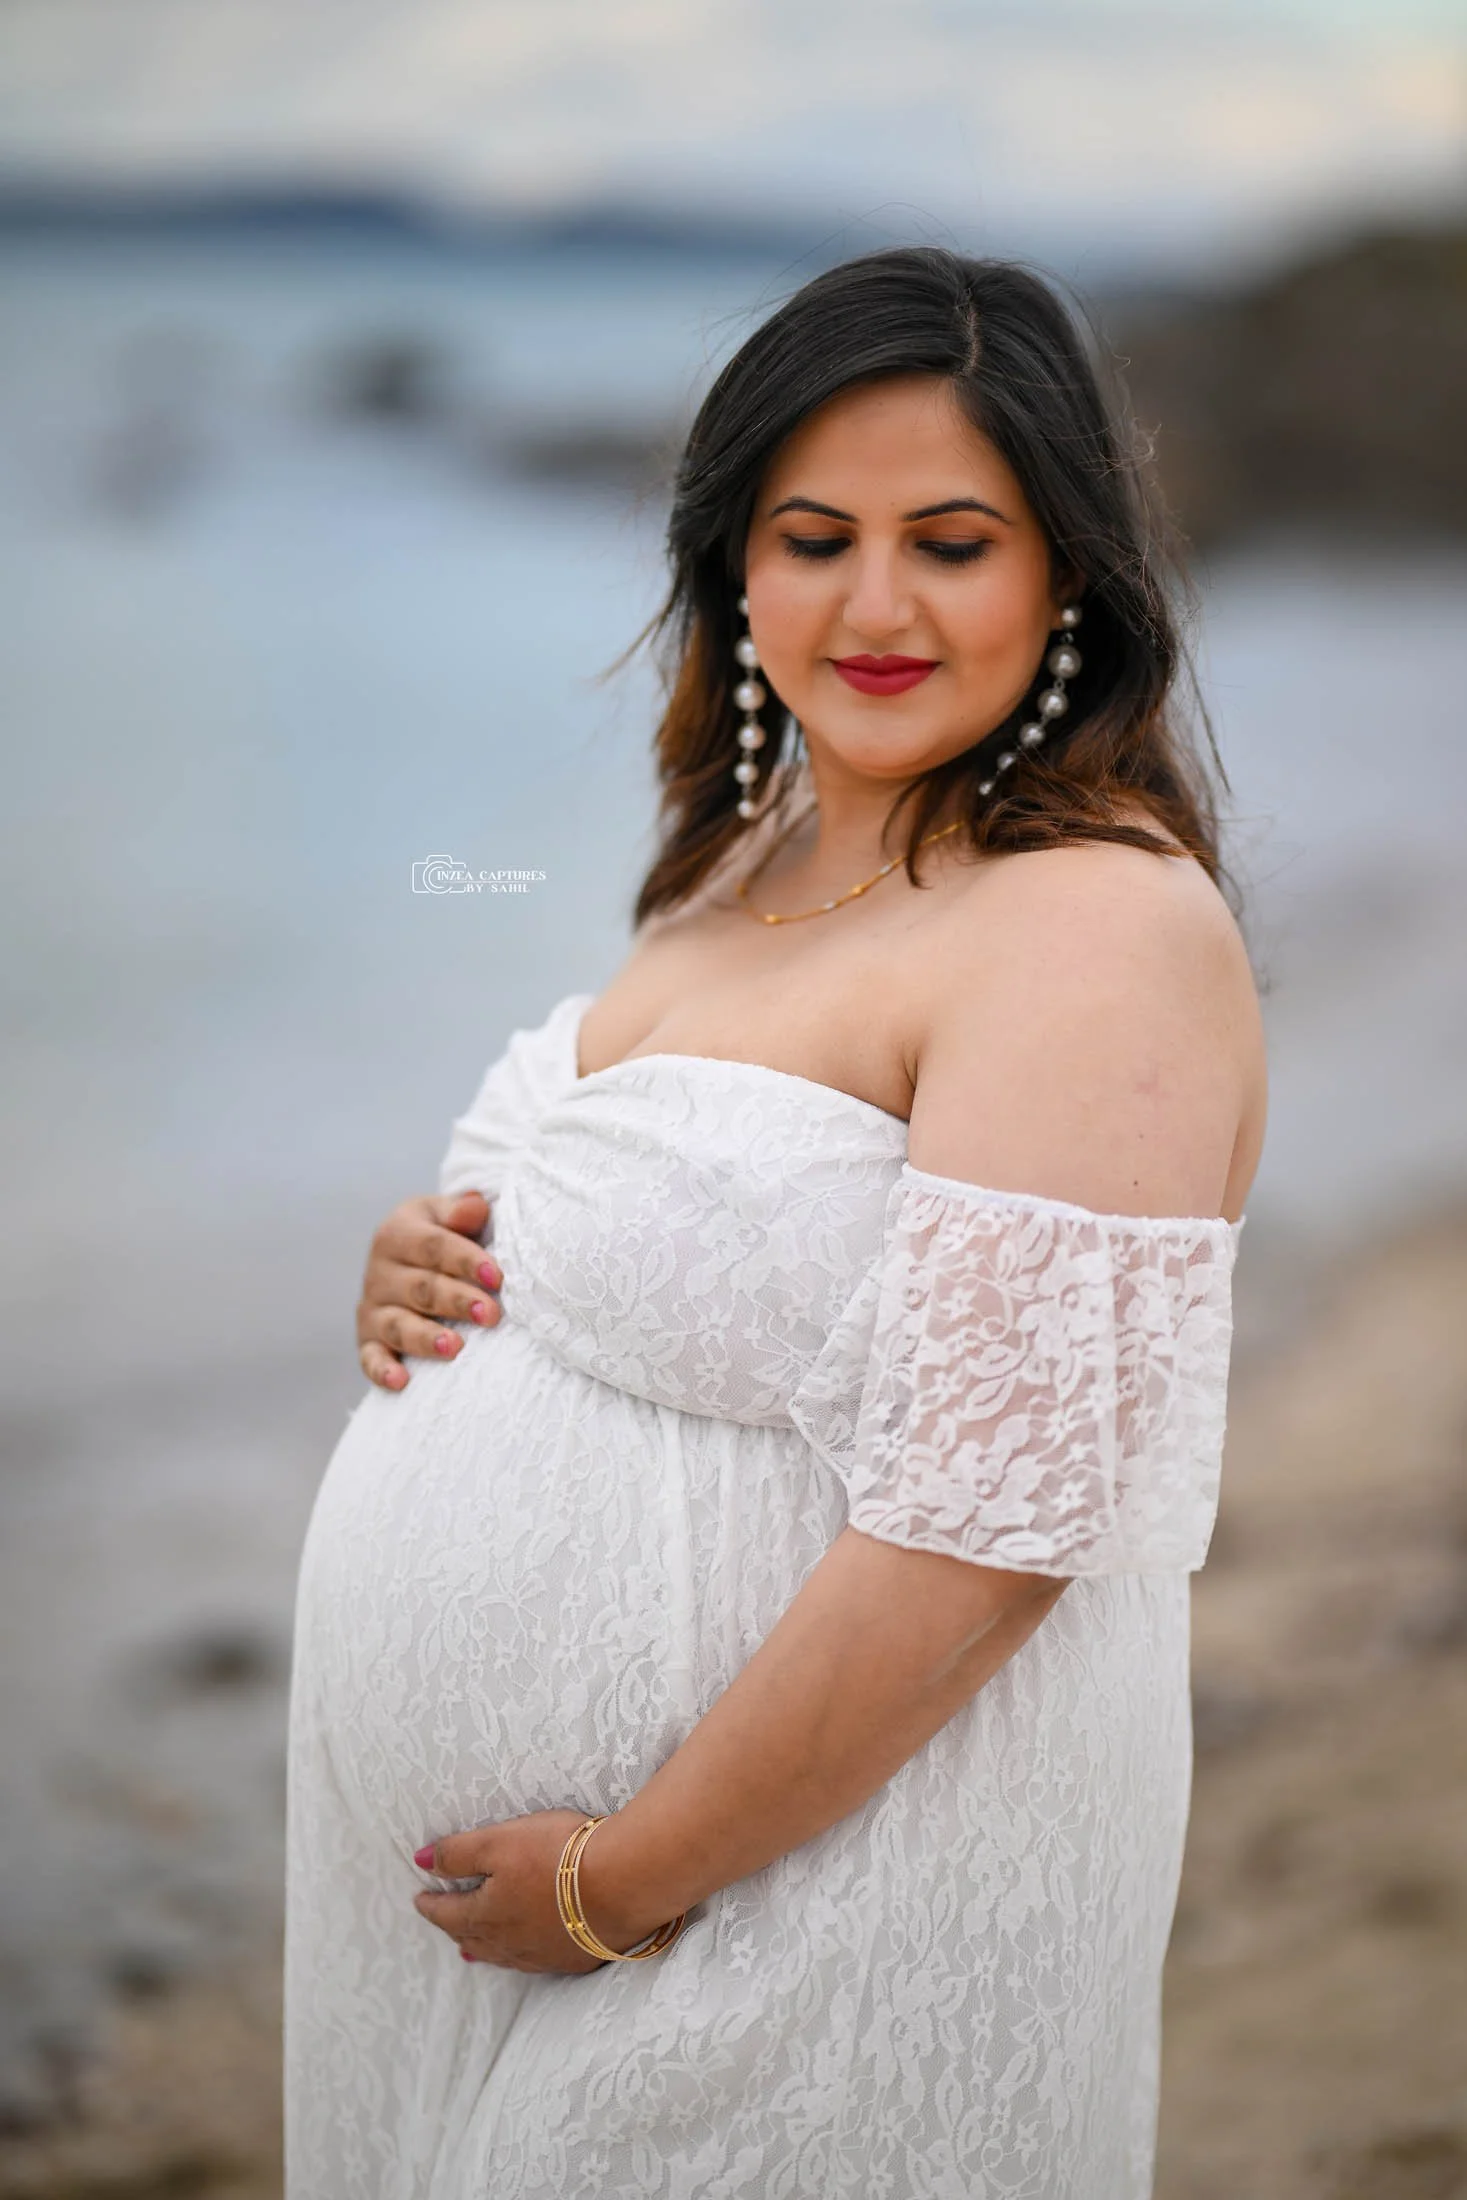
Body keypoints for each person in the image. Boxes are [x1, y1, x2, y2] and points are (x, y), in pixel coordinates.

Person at [287, 246, 1266, 2199]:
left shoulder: (1091, 920)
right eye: (812, 535)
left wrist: (620, 1874)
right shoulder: (743, 864)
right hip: (593, 1922)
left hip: (809, 1907)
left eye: (954, 540)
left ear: (1068, 569)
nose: (875, 603)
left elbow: (990, 1523)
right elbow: (676, 1240)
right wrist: (445, 1266)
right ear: (729, 561)